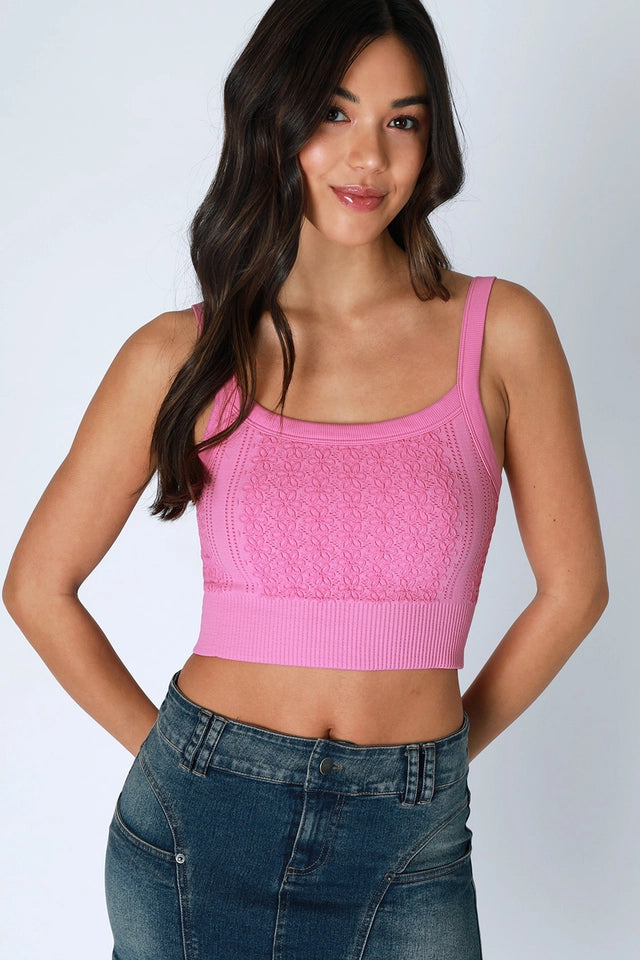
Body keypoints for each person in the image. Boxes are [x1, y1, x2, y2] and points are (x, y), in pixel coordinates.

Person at [3, 0, 608, 957]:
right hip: (199, 828)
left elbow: (575, 590)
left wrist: (437, 760)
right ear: (273, 120)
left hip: (411, 835)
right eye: (333, 112)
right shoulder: (182, 353)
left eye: (402, 120)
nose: (368, 157)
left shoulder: (503, 334)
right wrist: (171, 766)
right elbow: (36, 586)